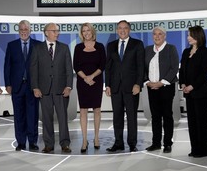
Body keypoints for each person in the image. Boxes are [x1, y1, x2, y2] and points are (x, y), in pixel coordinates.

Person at [30, 22, 73, 153]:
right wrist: (35, 87)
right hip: (44, 90)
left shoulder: (64, 48)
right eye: (54, 31)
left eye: (58, 31)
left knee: (63, 118)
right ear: (46, 32)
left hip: (61, 89)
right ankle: (48, 144)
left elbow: (69, 69)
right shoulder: (37, 48)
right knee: (46, 118)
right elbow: (33, 69)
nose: (57, 33)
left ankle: (65, 143)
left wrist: (69, 86)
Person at [105, 20, 145, 152]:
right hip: (115, 87)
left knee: (132, 116)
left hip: (131, 87)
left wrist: (138, 84)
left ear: (129, 30)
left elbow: (141, 67)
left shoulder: (137, 44)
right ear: (117, 30)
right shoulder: (110, 45)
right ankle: (118, 143)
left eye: (125, 28)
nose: (122, 30)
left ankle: (132, 144)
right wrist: (108, 85)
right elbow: (108, 67)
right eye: (120, 28)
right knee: (117, 116)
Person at [4, 20, 41, 151]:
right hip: (17, 86)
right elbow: (7, 66)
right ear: (18, 30)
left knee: (32, 115)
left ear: (30, 30)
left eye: (26, 29)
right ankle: (20, 142)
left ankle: (32, 142)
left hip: (33, 86)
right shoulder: (11, 45)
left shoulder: (38, 45)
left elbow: (40, 67)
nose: (24, 31)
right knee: (19, 116)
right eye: (21, 29)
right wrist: (7, 84)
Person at [179, 25, 207, 158]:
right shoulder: (186, 52)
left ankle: (202, 151)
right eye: (188, 35)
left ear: (198, 36)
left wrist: (192, 86)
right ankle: (194, 149)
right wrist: (182, 83)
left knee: (202, 123)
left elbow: (204, 73)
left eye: (190, 35)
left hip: (201, 92)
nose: (188, 37)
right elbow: (182, 70)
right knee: (192, 123)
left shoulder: (206, 52)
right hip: (188, 93)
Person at [144, 26, 179, 153]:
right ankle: (156, 143)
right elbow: (142, 68)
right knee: (155, 116)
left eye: (160, 34)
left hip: (166, 87)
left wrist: (161, 83)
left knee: (167, 116)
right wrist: (147, 82)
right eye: (154, 34)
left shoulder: (171, 49)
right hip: (151, 87)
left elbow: (174, 68)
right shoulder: (147, 49)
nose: (157, 36)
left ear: (164, 36)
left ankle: (168, 143)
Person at [73, 23, 106, 153]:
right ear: (82, 33)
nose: (86, 33)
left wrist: (91, 76)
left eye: (88, 30)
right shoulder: (78, 47)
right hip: (82, 82)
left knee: (97, 110)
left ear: (92, 32)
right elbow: (76, 66)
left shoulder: (100, 47)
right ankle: (84, 140)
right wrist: (85, 78)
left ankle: (96, 138)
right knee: (83, 111)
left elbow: (103, 65)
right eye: (84, 31)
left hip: (96, 82)